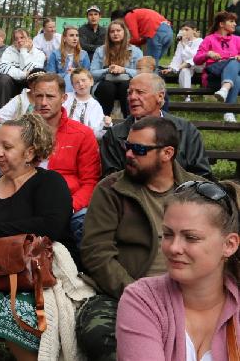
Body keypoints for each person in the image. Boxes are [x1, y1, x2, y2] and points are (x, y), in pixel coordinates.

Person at [77, 117, 206, 361]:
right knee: (99, 333)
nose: (129, 154)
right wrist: (138, 294)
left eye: (139, 150)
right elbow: (97, 253)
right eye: (128, 146)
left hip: (191, 294)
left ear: (167, 153)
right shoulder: (111, 189)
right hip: (126, 292)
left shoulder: (199, 191)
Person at [0, 113, 77, 360]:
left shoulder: (49, 182)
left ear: (30, 153)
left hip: (39, 277)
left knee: (13, 309)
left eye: (7, 147)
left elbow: (53, 225)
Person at [117, 180, 240, 360]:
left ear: (229, 245)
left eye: (191, 237)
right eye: (168, 234)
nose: (174, 247)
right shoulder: (143, 299)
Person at [100, 73, 212, 178]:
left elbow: (202, 175)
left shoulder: (186, 131)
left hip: (182, 196)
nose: (132, 97)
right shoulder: (114, 136)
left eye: (140, 92)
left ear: (160, 96)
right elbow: (112, 181)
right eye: (129, 93)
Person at [32, 73, 101, 242]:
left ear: (63, 98)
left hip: (69, 203)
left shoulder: (82, 134)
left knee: (85, 221)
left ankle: (84, 268)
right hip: (28, 200)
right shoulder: (21, 131)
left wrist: (68, 207)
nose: (43, 102)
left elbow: (90, 182)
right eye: (39, 96)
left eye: (50, 96)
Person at [194, 11, 240, 123]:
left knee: (237, 76)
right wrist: (208, 54)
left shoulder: (237, 40)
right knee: (233, 62)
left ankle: (225, 91)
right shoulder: (209, 39)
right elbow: (196, 60)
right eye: (231, 21)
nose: (235, 24)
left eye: (235, 22)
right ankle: (229, 111)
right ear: (221, 24)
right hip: (213, 76)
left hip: (230, 77)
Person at [90, 19, 143, 117]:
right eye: (112, 31)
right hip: (105, 85)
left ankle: (129, 120)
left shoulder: (136, 51)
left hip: (126, 85)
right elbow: (92, 73)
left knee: (126, 86)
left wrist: (124, 70)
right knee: (107, 87)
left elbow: (142, 73)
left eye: (118, 31)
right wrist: (108, 70)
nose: (115, 33)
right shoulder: (100, 50)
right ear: (108, 35)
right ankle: (104, 121)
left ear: (124, 32)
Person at [0, 28, 46, 112]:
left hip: (29, 83)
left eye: (22, 37)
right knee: (3, 79)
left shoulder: (39, 54)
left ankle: (35, 115)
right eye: (16, 39)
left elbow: (33, 72)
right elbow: (2, 68)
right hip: (12, 83)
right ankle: (1, 118)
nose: (19, 40)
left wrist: (23, 51)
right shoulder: (9, 51)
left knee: (36, 79)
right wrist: (23, 74)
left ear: (29, 39)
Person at [162, 21, 202, 100]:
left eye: (187, 30)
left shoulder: (200, 41)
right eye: (182, 30)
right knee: (184, 71)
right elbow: (177, 57)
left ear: (194, 30)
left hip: (199, 65)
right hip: (186, 66)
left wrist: (184, 44)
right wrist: (171, 68)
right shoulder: (181, 43)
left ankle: (179, 68)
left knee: (192, 61)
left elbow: (194, 56)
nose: (184, 32)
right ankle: (187, 96)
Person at [63, 68, 107, 139]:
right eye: (77, 82)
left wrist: (106, 124)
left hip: (83, 139)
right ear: (73, 86)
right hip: (64, 135)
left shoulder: (95, 105)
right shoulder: (66, 98)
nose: (81, 84)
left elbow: (96, 131)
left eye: (83, 80)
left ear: (91, 81)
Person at [46, 25, 91, 92]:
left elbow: (88, 74)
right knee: (68, 76)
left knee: (71, 76)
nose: (75, 38)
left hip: (80, 84)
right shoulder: (55, 54)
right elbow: (50, 75)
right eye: (71, 35)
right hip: (60, 83)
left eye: (77, 35)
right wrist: (67, 73)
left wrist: (76, 71)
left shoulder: (84, 54)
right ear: (64, 38)